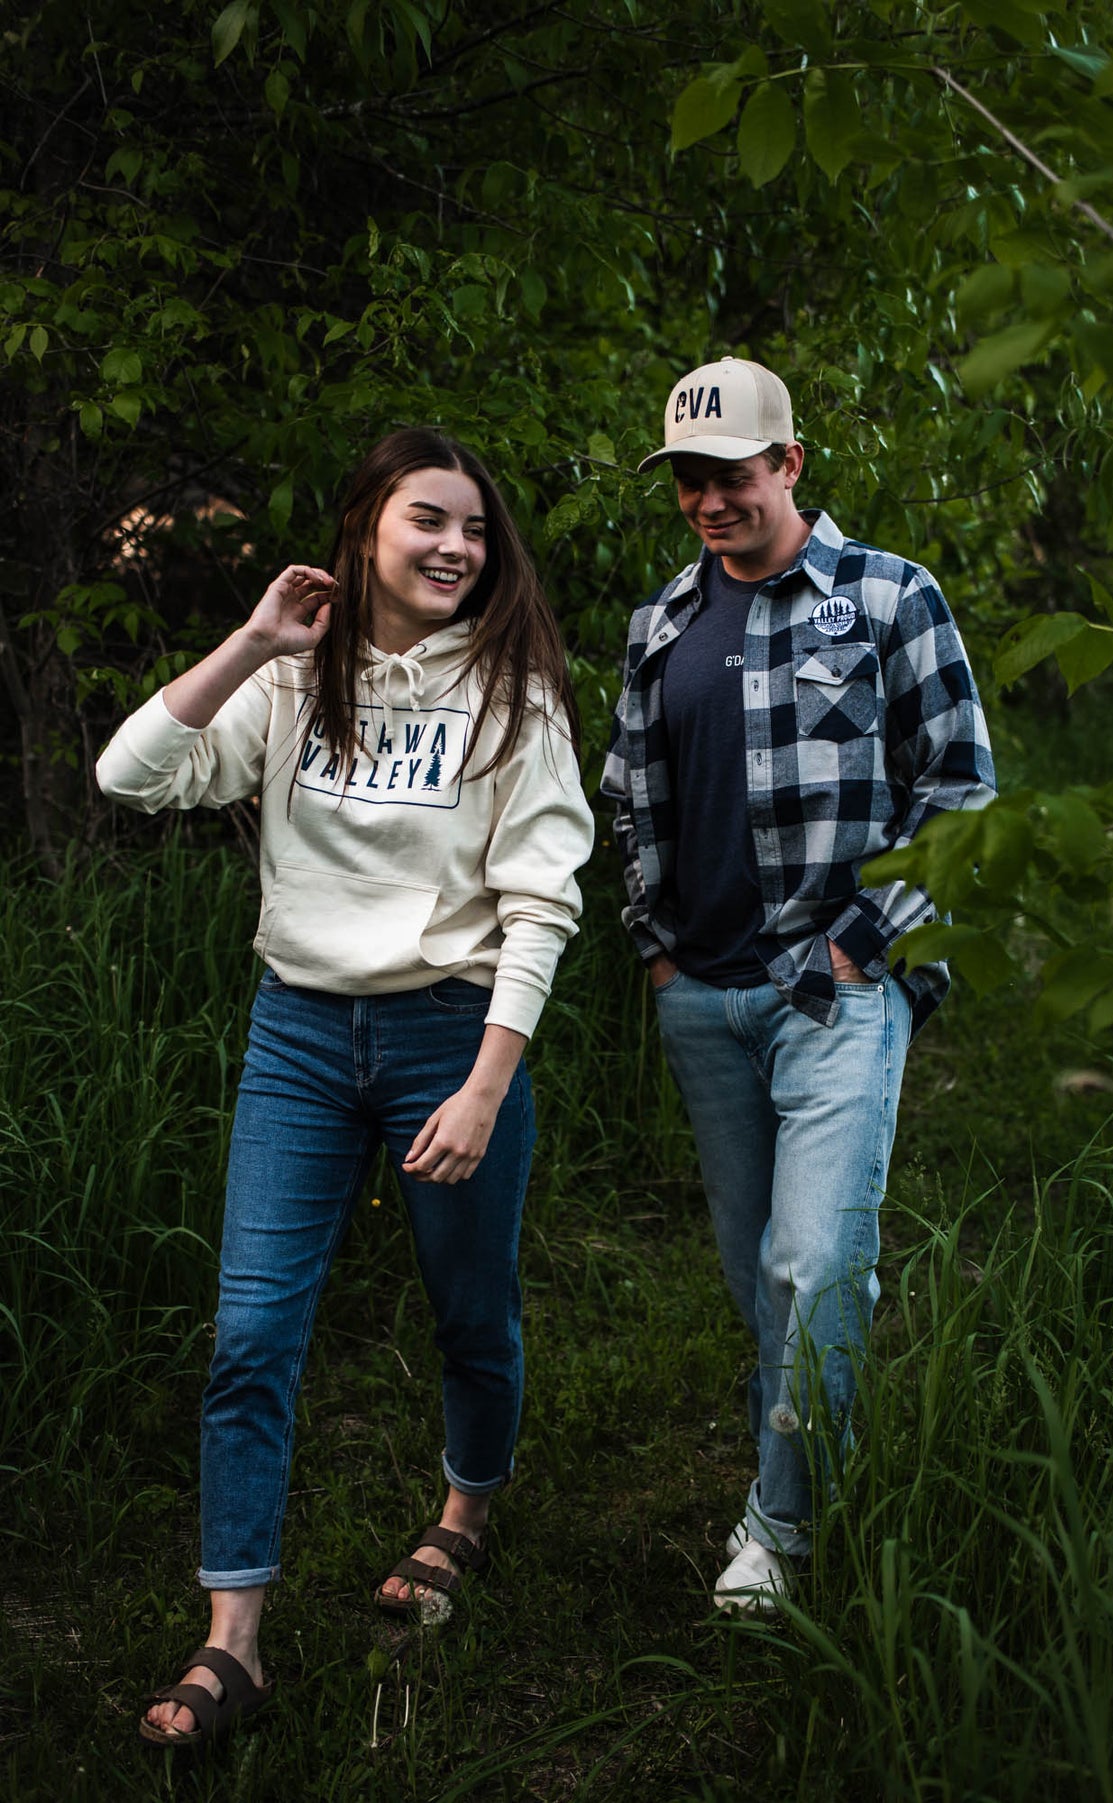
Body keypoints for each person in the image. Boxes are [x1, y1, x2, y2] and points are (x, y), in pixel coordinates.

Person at [97, 427, 594, 1748]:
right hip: (300, 1042)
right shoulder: (292, 677)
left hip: (450, 1037)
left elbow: (543, 902)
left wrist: (490, 1081)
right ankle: (232, 1643)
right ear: (366, 524)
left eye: (476, 529)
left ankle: (464, 1514)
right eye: (429, 519)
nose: (457, 547)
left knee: (469, 1313)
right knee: (251, 1333)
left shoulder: (512, 691)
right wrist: (255, 646)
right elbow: (129, 772)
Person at [602, 357, 995, 1614]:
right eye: (689, 482)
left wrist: (860, 948)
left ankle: (778, 1528)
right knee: (756, 1270)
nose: (711, 501)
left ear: (792, 464)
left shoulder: (889, 599)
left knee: (813, 1263)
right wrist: (655, 949)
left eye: (733, 475)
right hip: (700, 996)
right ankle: (831, 1453)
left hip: (836, 988)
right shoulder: (661, 622)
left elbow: (964, 793)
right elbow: (628, 799)